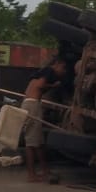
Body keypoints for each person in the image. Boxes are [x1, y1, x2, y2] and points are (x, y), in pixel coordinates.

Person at [23, 55, 72, 184]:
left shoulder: (42, 72)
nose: (64, 71)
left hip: (32, 104)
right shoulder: (49, 71)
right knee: (31, 142)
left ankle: (45, 171)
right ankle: (31, 175)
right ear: (56, 63)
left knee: (38, 141)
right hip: (32, 105)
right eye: (63, 68)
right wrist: (54, 85)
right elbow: (40, 86)